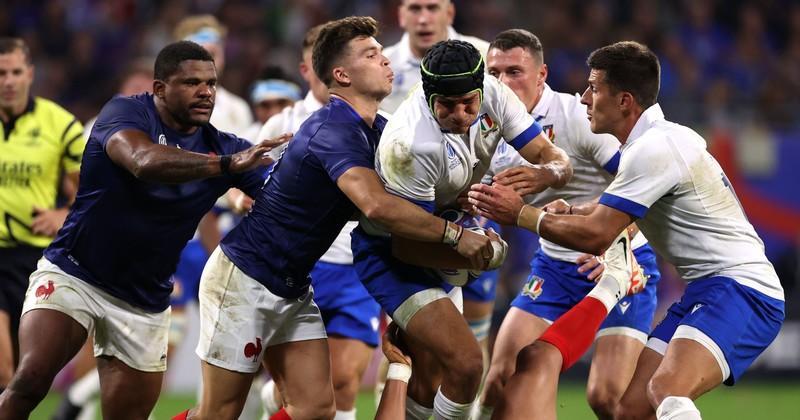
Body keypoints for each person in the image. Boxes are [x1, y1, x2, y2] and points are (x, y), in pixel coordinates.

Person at [175, 17, 495, 420]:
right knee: (218, 414)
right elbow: (377, 206)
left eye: (381, 51)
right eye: (371, 53)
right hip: (244, 279)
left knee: (315, 410)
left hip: (292, 286)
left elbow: (409, 199)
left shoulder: (379, 130)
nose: (384, 58)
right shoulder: (332, 130)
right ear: (341, 74)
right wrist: (453, 236)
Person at [468, 41, 785, 420]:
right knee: (630, 411)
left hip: (743, 289)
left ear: (624, 101)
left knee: (665, 390)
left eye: (594, 88)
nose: (585, 98)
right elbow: (617, 209)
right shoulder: (652, 143)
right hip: (707, 287)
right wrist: (573, 208)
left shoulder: (652, 148)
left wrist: (521, 214)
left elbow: (598, 235)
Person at [0, 40, 287, 419]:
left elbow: (285, 198)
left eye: (211, 83)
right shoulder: (125, 113)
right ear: (159, 89)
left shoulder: (224, 147)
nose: (205, 92)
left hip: (144, 300)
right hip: (75, 273)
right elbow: (141, 160)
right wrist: (227, 166)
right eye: (191, 83)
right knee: (31, 379)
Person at [351, 39, 572, 419]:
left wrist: (544, 174)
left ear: (482, 89)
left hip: (446, 231)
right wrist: (476, 249)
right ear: (427, 95)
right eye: (447, 106)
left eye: (469, 103)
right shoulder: (411, 144)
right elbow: (407, 245)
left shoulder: (495, 94)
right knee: (467, 364)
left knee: (432, 378)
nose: (460, 114)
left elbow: (556, 160)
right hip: (391, 251)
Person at [472, 29, 662, 420]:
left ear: (542, 74)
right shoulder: (483, 126)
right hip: (555, 267)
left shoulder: (577, 117)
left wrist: (616, 247)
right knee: (500, 378)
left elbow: (645, 191)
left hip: (619, 262)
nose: (503, 83)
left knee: (608, 399)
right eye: (495, 73)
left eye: (515, 72)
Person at [255, 24, 381, 420]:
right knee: (294, 391)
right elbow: (250, 183)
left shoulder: (377, 123)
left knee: (344, 379)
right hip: (301, 265)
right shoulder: (284, 123)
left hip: (356, 268)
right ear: (309, 68)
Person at [52, 61, 155, 420]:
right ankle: (80, 402)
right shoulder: (94, 128)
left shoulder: (162, 130)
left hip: (147, 248)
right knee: (93, 335)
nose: (140, 98)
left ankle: (80, 400)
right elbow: (73, 183)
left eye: (147, 91)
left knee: (147, 345)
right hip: (98, 246)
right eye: (135, 90)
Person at [0, 37, 86, 394]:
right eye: (1, 73)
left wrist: (62, 214)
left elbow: (90, 192)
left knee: (26, 376)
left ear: (30, 74)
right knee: (3, 372)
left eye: (16, 72)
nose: (8, 81)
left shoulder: (59, 125)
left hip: (35, 259)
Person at [381, 0, 489, 113]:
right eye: (415, 9)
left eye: (432, 8)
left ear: (449, 13)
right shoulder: (381, 64)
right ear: (402, 15)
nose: (423, 20)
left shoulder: (485, 57)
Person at [175, 14, 253, 136]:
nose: (207, 63)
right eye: (198, 55)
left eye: (213, 53)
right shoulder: (169, 106)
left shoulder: (239, 108)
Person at [241, 66, 302, 143]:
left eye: (282, 103)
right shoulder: (244, 144)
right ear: (255, 109)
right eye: (265, 105)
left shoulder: (311, 136)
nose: (274, 112)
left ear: (297, 104)